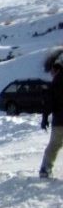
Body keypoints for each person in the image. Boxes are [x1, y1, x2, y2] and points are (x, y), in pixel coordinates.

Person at [39, 47, 63, 178]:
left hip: (59, 121)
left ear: (56, 69)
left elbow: (49, 103)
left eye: (52, 71)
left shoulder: (55, 83)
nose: (51, 74)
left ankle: (45, 168)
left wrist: (44, 119)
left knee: (54, 144)